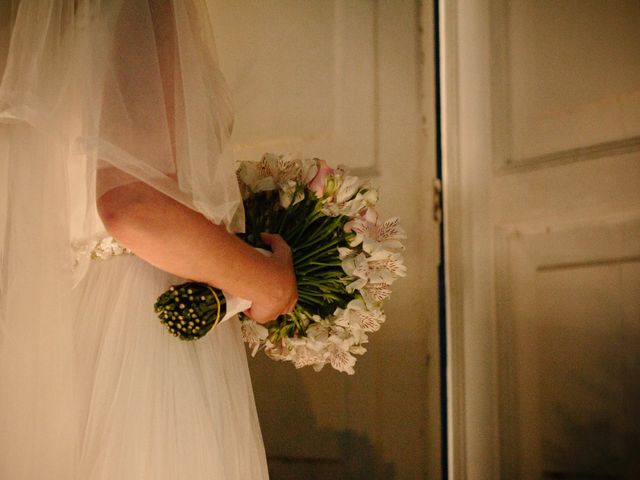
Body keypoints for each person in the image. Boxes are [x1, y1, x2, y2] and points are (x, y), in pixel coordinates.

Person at [0, 1, 296, 478]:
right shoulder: (132, 7)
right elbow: (135, 208)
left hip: (32, 329)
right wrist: (269, 283)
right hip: (130, 336)